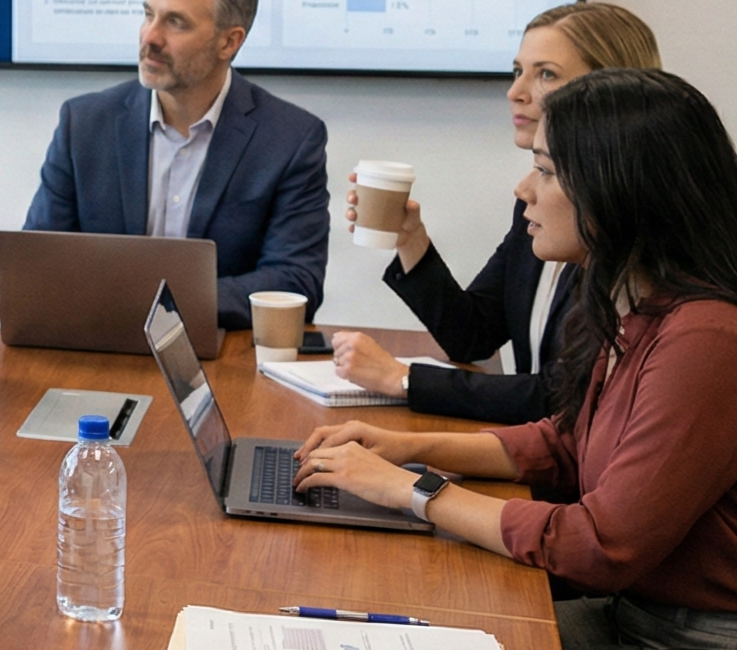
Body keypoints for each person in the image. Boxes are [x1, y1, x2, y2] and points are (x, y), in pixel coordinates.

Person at [294, 68, 737, 650]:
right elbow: (566, 443)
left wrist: (413, 490)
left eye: (547, 171)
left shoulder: (706, 337)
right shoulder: (636, 300)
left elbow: (599, 545)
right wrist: (404, 448)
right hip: (638, 613)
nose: (524, 189)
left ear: (619, 189)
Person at [329, 3, 662, 423]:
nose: (515, 91)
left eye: (546, 74)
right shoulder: (535, 198)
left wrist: (405, 379)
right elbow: (472, 336)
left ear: (610, 88)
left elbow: (564, 394)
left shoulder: (632, 222)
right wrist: (411, 240)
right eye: (516, 71)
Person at [23, 0, 329, 328]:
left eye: (176, 23)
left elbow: (294, 282)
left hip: (218, 359)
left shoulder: (290, 139)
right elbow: (37, 261)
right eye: (148, 15)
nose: (150, 37)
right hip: (96, 346)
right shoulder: (84, 123)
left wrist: (159, 304)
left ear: (229, 42)